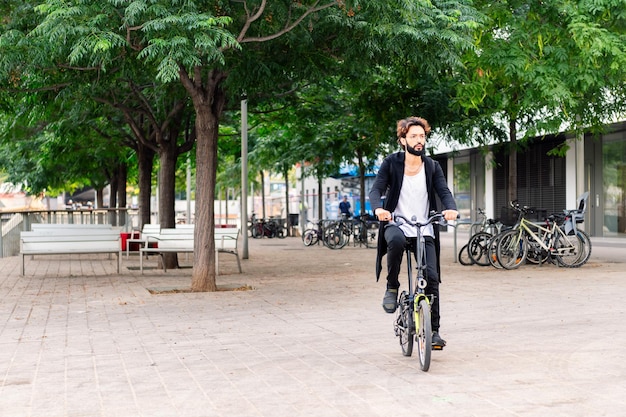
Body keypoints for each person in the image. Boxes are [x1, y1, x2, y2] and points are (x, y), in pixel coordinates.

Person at [369, 116, 458, 348]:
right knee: (396, 241)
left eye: (422, 136)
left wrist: (450, 209)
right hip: (395, 223)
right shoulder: (391, 163)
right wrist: (378, 208)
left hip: (424, 227)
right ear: (402, 140)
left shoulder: (432, 166)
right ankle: (392, 286)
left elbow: (443, 191)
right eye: (414, 136)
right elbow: (377, 188)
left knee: (431, 277)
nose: (419, 141)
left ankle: (434, 331)